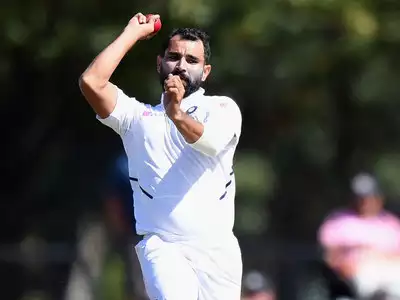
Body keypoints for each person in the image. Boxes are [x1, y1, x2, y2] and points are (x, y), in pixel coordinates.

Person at [79, 12, 243, 300]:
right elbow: (92, 82)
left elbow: (210, 142)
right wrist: (131, 33)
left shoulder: (221, 108)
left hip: (218, 251)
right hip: (164, 246)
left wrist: (176, 113)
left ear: (205, 72)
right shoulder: (137, 118)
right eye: (173, 56)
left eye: (192, 61)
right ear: (159, 63)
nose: (181, 66)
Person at [318, 173, 400, 299]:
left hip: (388, 273)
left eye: (369, 197)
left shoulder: (391, 224)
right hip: (353, 279)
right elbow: (329, 257)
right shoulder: (337, 222)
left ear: (379, 198)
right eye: (360, 198)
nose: (364, 202)